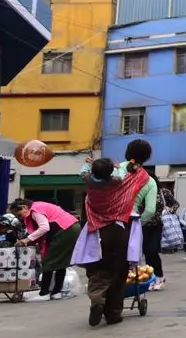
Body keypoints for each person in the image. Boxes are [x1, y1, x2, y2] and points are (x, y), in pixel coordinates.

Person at [73, 139, 157, 327]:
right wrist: (137, 224)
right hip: (124, 227)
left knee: (97, 265)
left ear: (127, 152)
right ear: (147, 157)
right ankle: (113, 313)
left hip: (97, 225)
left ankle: (97, 299)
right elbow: (150, 210)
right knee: (119, 271)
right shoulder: (148, 180)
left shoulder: (108, 168)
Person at [9, 198, 81, 301]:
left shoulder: (35, 210)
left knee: (48, 261)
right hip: (72, 227)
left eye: (19, 214)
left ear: (24, 207)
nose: (20, 218)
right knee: (61, 261)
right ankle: (56, 292)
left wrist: (26, 240)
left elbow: (44, 227)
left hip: (65, 229)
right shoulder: (39, 206)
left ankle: (44, 293)